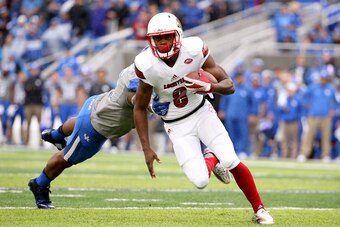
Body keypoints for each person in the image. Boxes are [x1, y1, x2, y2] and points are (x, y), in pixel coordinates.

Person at [133, 12, 274, 225]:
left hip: (202, 112)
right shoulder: (146, 64)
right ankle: (211, 155)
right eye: (158, 38)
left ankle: (260, 209)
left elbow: (229, 85)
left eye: (167, 37)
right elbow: (139, 106)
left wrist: (209, 86)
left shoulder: (195, 49)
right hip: (176, 125)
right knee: (200, 181)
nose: (162, 42)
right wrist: (146, 148)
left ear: (177, 35)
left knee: (230, 159)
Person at [28, 64, 230, 209]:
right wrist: (151, 105)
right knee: (68, 158)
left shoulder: (156, 66)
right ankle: (39, 183)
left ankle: (56, 134)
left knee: (81, 119)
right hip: (99, 125)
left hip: (97, 104)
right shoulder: (140, 74)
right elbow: (134, 99)